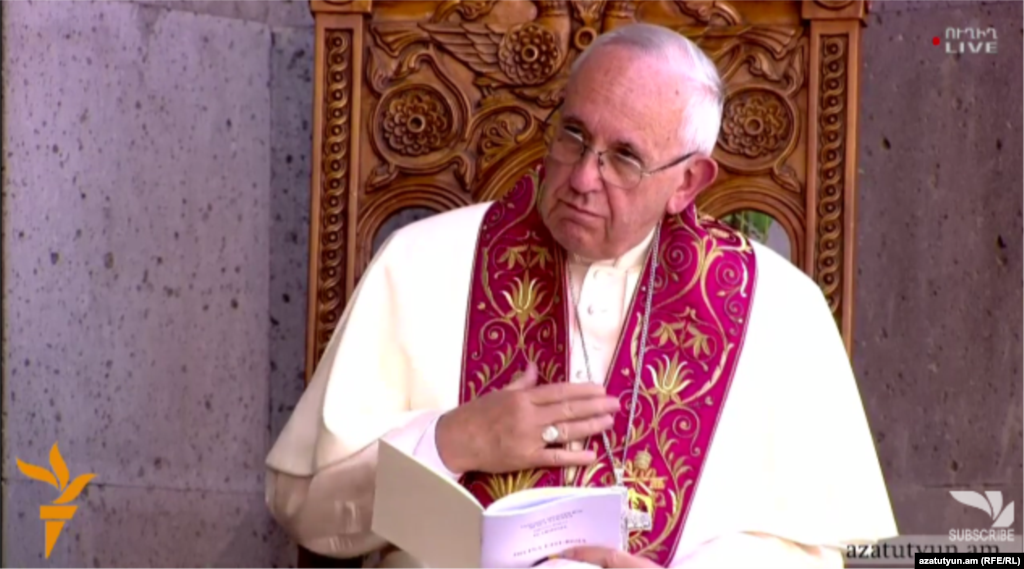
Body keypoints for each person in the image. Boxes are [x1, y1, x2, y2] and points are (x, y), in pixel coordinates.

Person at [265, 22, 898, 569]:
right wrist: (453, 441)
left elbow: (817, 554)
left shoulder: (781, 309)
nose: (584, 178)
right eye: (573, 136)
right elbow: (305, 510)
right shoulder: (421, 262)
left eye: (625, 157)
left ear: (688, 181)